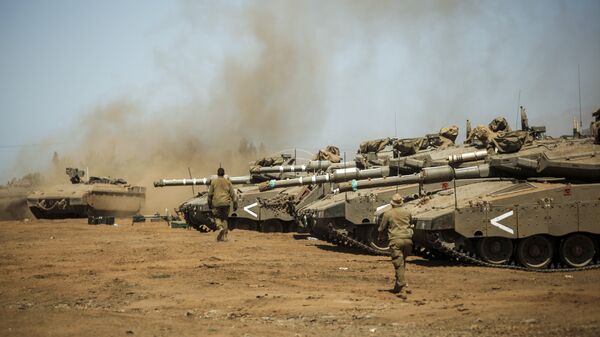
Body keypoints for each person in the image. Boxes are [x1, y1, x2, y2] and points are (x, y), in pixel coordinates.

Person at [378, 193, 413, 299]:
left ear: (392, 203)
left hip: (395, 241)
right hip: (408, 240)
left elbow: (381, 228)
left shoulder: (388, 213)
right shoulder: (407, 212)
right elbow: (411, 222)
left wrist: (380, 236)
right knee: (402, 263)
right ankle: (398, 285)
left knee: (398, 264)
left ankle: (402, 287)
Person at [207, 167, 238, 242]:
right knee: (225, 219)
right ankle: (225, 236)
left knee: (217, 217)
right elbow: (233, 195)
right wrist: (235, 205)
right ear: (224, 174)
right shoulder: (228, 182)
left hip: (216, 203)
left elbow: (209, 195)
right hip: (226, 203)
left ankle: (220, 228)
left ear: (217, 174)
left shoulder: (213, 182)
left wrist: (209, 204)